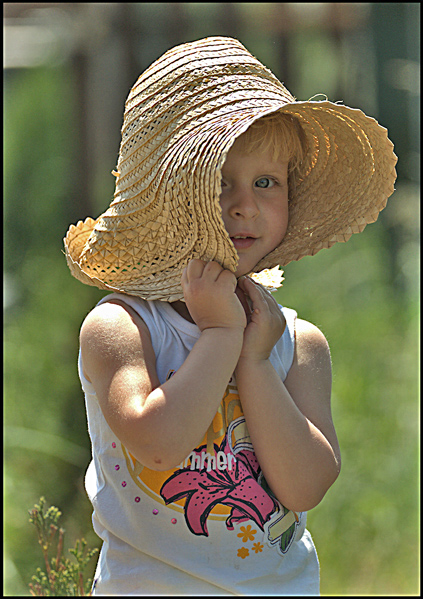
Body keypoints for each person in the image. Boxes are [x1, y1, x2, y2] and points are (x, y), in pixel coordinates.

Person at [64, 37, 397, 595]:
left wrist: (255, 360)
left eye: (266, 183)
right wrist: (220, 332)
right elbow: (159, 444)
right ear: (166, 198)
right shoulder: (123, 328)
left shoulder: (294, 341)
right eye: (219, 183)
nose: (244, 204)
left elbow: (304, 487)